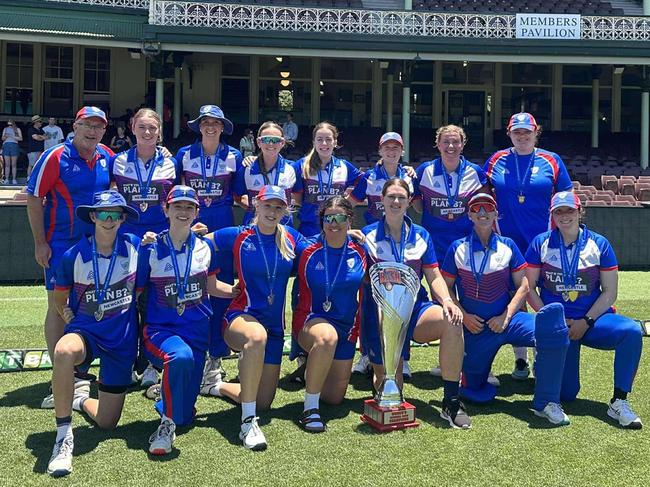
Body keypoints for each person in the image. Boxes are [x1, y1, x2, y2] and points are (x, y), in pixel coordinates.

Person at [441, 193, 570, 426]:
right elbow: (444, 289)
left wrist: (506, 315)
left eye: (488, 208)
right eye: (476, 208)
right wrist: (465, 316)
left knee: (552, 331)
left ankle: (547, 401)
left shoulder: (508, 246)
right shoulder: (457, 248)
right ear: (469, 215)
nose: (482, 212)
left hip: (508, 321)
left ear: (496, 214)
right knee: (476, 391)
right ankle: (475, 379)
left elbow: (524, 285)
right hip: (475, 329)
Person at [525, 191, 643, 429]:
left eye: (569, 210)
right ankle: (544, 362)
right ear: (552, 216)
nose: (564, 216)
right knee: (568, 394)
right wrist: (552, 320)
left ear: (580, 212)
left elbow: (609, 291)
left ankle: (619, 401)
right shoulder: (540, 243)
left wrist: (586, 321)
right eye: (558, 211)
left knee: (631, 331)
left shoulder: (599, 244)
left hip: (592, 323)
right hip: (560, 327)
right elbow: (529, 289)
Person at [137, 185, 237, 455]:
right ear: (166, 209)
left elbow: (213, 286)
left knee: (186, 416)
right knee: (178, 358)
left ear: (196, 212)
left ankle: (165, 395)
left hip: (197, 334)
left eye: (189, 207)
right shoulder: (151, 248)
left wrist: (238, 291)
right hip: (161, 332)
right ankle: (165, 427)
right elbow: (133, 292)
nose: (183, 212)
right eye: (177, 206)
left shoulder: (205, 248)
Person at [201, 185, 304, 450]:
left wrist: (347, 233)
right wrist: (216, 284)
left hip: (275, 329)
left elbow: (321, 248)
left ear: (285, 210)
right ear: (256, 205)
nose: (272, 211)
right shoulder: (239, 235)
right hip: (240, 317)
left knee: (263, 401)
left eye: (278, 207)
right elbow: (200, 243)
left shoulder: (291, 237)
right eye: (267, 205)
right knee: (256, 337)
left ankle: (216, 386)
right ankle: (248, 422)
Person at [46, 190, 140, 477]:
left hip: (122, 343)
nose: (108, 219)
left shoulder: (136, 247)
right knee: (64, 351)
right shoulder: (72, 256)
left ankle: (78, 399)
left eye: (115, 214)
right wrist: (68, 316)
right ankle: (63, 435)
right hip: (86, 333)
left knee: (107, 422)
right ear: (92, 217)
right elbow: (58, 301)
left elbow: (144, 290)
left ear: (123, 218)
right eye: (103, 213)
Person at [362, 178, 469, 429]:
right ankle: (387, 383)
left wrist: (447, 301)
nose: (396, 202)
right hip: (380, 317)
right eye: (391, 197)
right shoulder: (365, 236)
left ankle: (451, 400)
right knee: (391, 393)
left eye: (401, 197)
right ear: (382, 201)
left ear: (409, 201)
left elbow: (433, 274)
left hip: (416, 310)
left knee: (451, 321)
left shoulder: (421, 235)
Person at [27, 106, 113, 409]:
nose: (92, 131)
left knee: (86, 305)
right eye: (86, 125)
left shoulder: (106, 156)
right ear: (74, 126)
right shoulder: (54, 156)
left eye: (98, 126)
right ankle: (60, 377)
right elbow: (34, 198)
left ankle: (79, 372)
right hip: (61, 243)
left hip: (97, 244)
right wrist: (40, 243)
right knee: (57, 306)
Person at [485, 112, 573, 380]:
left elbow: (567, 197)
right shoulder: (496, 160)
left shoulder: (552, 160)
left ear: (537, 132)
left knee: (542, 296)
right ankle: (520, 360)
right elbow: (480, 193)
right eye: (517, 132)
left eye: (527, 131)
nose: (522, 136)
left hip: (543, 241)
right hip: (505, 241)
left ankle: (542, 355)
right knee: (512, 297)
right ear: (509, 134)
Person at [175, 104, 243, 397]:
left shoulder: (235, 156)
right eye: (206, 123)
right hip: (191, 224)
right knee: (184, 290)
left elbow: (241, 194)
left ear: (222, 126)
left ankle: (214, 359)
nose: (210, 127)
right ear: (198, 126)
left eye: (216, 122)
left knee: (217, 292)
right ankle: (177, 358)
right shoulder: (182, 155)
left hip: (222, 225)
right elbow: (174, 191)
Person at [111, 108, 179, 386]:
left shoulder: (171, 162)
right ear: (132, 128)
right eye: (142, 127)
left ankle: (152, 363)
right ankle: (126, 362)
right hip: (128, 242)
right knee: (125, 303)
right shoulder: (117, 162)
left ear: (159, 130)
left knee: (155, 301)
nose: (148, 132)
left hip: (159, 240)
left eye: (153, 128)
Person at [292, 197, 366, 432]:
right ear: (321, 221)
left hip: (346, 328)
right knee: (326, 338)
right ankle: (309, 409)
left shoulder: (361, 252)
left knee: (334, 398)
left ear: (349, 220)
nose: (334, 223)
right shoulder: (307, 249)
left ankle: (311, 368)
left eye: (340, 218)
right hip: (312, 321)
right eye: (328, 218)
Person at [348, 131, 416, 377]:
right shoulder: (368, 177)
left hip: (400, 240)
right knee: (368, 300)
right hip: (374, 242)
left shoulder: (409, 177)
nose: (391, 151)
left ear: (402, 151)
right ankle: (366, 355)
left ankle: (403, 357)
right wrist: (347, 227)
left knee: (403, 301)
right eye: (387, 147)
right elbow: (349, 203)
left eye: (396, 147)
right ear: (380, 150)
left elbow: (418, 204)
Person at [412, 124, 487, 260]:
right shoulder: (424, 170)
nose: (451, 146)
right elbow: (416, 204)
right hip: (433, 244)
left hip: (466, 244)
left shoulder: (475, 172)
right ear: (438, 144)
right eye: (446, 142)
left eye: (456, 142)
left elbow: (484, 205)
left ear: (462, 145)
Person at [234, 122, 298, 226]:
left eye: (276, 140)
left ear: (282, 143)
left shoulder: (292, 168)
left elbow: (299, 197)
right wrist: (255, 208)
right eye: (266, 139)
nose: (271, 144)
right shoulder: (246, 168)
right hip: (253, 226)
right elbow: (237, 197)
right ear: (259, 142)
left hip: (283, 227)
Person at [2, 119, 23, 184]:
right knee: (7, 164)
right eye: (8, 124)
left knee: (14, 164)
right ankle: (7, 179)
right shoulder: (5, 129)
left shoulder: (17, 129)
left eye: (11, 124)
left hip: (14, 145)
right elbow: (2, 138)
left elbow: (21, 138)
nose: (10, 126)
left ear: (14, 123)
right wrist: (5, 136)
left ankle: (14, 179)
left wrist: (11, 136)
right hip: (6, 145)